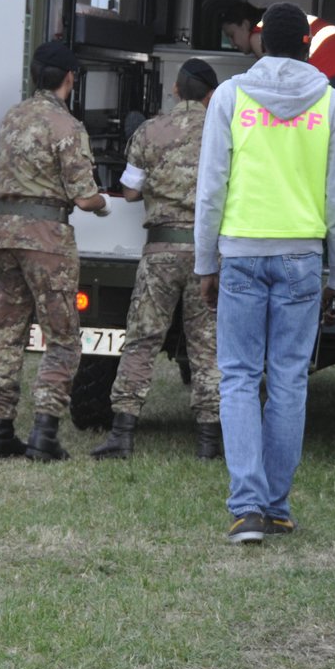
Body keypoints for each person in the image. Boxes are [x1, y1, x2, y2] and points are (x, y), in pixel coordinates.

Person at [196, 2, 335, 544]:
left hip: (240, 252)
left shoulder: (229, 96)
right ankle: (277, 506)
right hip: (302, 259)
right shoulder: (332, 104)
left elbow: (211, 185)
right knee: (287, 380)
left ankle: (246, 511)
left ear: (261, 44)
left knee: (238, 378)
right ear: (309, 46)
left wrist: (204, 260)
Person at [0, 40, 106, 463]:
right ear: (70, 78)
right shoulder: (65, 125)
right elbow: (86, 197)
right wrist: (104, 205)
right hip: (48, 241)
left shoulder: (11, 118)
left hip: (4, 234)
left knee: (6, 333)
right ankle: (44, 432)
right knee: (63, 338)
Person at [91, 58, 222, 461]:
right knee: (207, 346)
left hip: (160, 251)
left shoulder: (150, 130)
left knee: (143, 341)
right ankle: (208, 441)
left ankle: (122, 433)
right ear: (212, 95)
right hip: (207, 256)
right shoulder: (226, 130)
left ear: (176, 90)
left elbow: (130, 192)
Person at [219, 0, 335, 147]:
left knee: (320, 133)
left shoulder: (258, 35)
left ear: (245, 24)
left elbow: (276, 81)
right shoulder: (278, 24)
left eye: (232, 35)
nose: (232, 43)